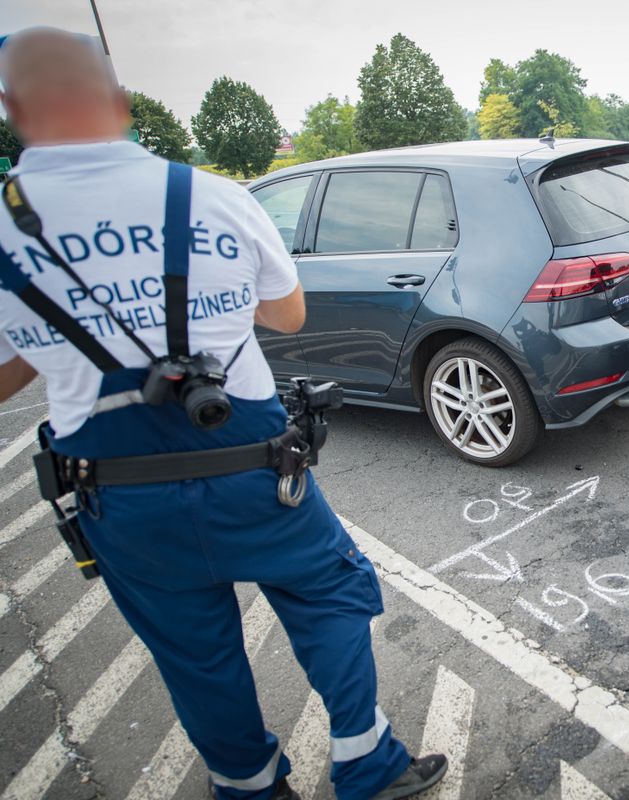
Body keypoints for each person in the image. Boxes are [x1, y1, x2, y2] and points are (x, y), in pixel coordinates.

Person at [0, 28, 445, 800]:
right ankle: (366, 763)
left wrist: (74, 330)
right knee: (330, 592)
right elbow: (288, 314)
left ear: (10, 110)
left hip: (117, 492)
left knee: (193, 653)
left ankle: (246, 785)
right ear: (121, 104)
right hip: (254, 465)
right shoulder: (210, 196)